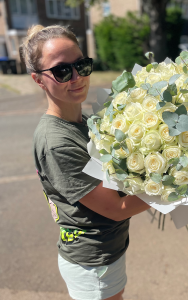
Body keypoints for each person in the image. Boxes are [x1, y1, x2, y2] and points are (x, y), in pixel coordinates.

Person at [20, 24, 150, 300]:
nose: (77, 77)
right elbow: (116, 208)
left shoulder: (87, 123)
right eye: (62, 71)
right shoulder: (56, 142)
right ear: (38, 79)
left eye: (82, 65)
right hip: (93, 262)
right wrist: (181, 189)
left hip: (106, 251)